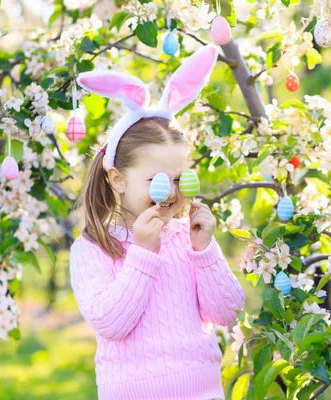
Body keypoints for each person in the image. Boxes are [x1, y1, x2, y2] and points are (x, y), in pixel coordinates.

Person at [68, 44, 246, 400]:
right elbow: (110, 324)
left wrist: (204, 250)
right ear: (118, 179)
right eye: (158, 181)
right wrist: (144, 254)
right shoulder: (94, 248)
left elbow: (226, 312)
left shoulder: (185, 238)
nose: (171, 194)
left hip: (203, 392)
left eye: (180, 179)